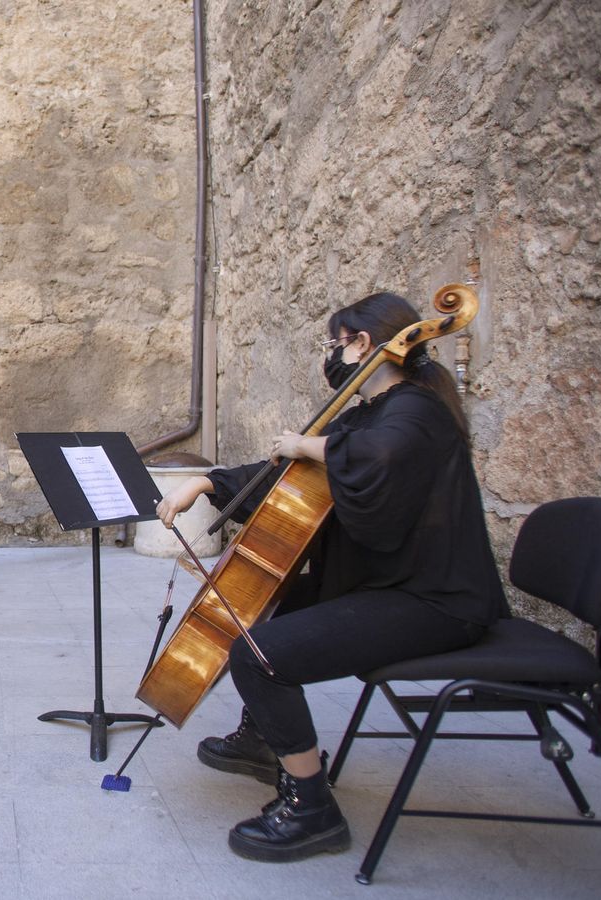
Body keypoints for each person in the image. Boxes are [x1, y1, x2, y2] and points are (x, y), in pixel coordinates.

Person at [155, 291, 506, 863]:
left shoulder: (417, 410)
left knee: (258, 652)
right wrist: (211, 483)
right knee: (269, 607)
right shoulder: (366, 414)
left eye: (335, 342)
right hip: (385, 583)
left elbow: (378, 458)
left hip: (434, 600)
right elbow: (296, 477)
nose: (332, 353)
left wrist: (308, 443)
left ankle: (312, 807)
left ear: (364, 343)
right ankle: (267, 740)